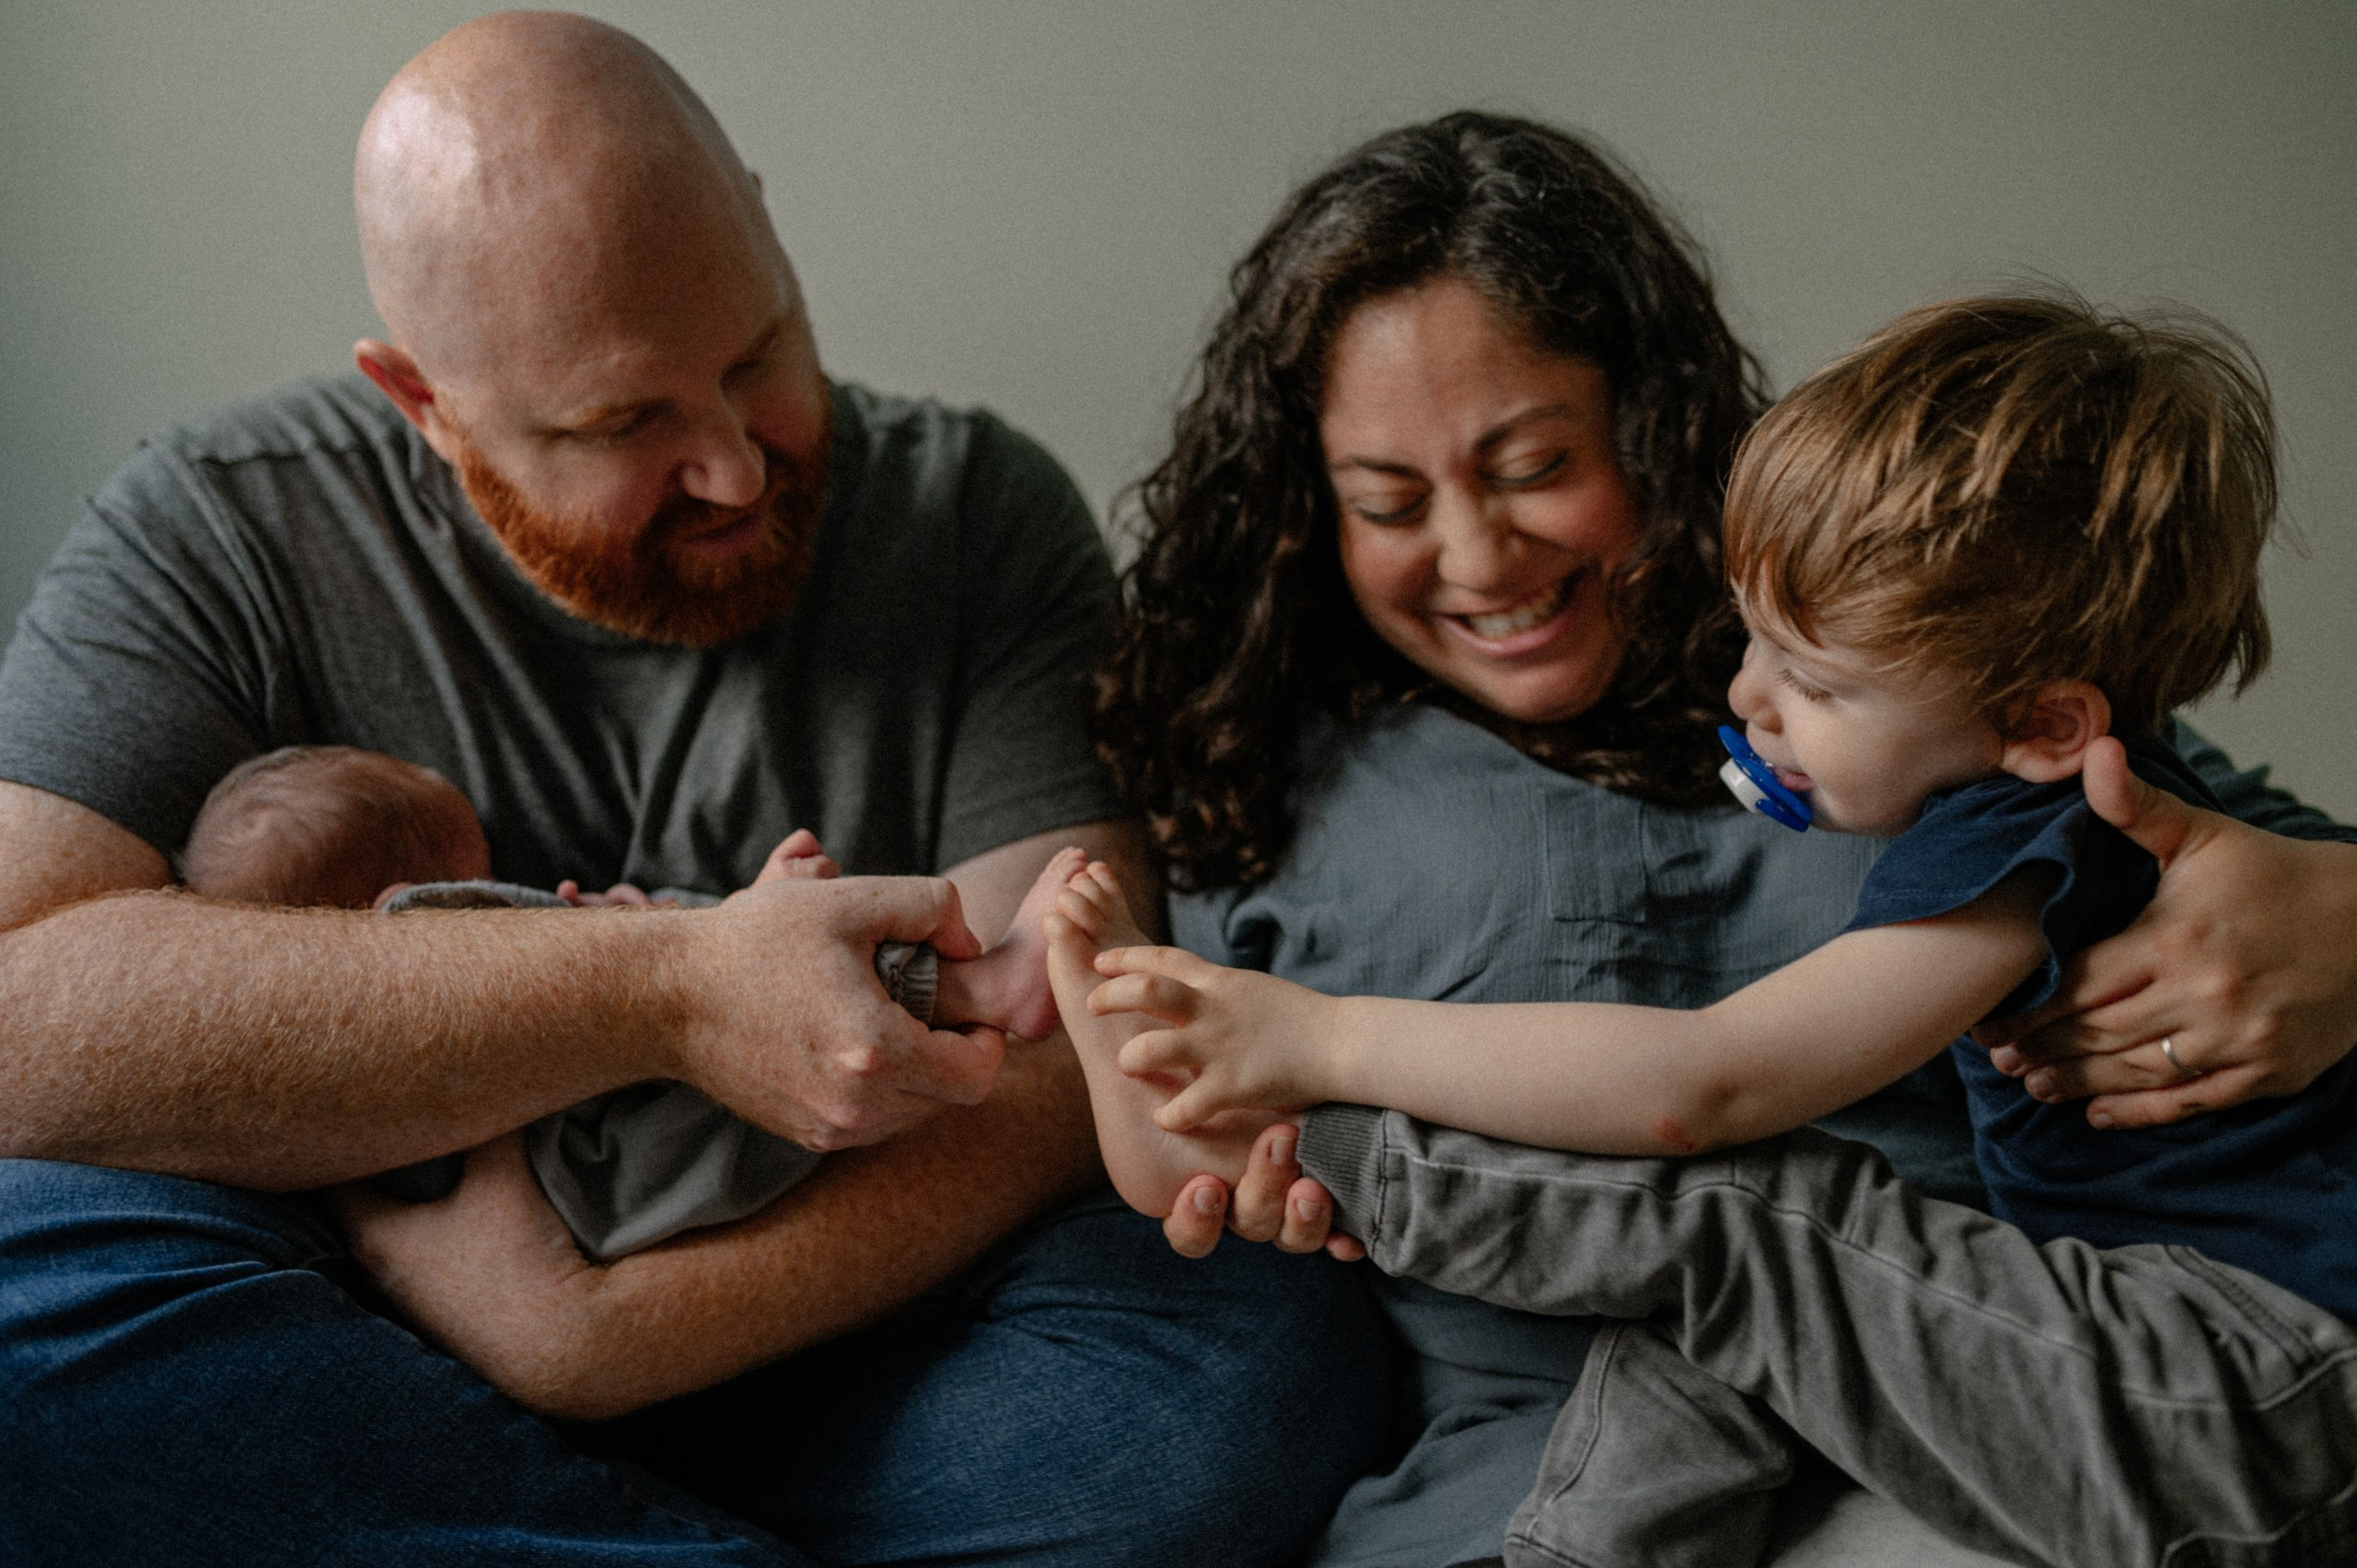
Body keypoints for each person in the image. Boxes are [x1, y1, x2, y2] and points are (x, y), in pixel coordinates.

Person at [0, 14, 1387, 1567]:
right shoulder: (219, 530)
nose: (735, 463)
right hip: (367, 1334)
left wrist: (589, 1335)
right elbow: (19, 1010)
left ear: (768, 226)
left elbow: (1067, 1062)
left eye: (756, 356)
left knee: (1251, 1376)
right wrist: (665, 986)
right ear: (423, 402)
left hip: (841, 1345)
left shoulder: (974, 512)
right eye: (625, 422)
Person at [1086, 111, 2357, 1568]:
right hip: (1838, 1386)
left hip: (2184, 1379)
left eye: (1534, 462)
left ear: (1650, 422)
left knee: (1757, 1218)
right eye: (1388, 501)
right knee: (1723, 1321)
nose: (1482, 556)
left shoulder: (1984, 743)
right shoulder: (1273, 767)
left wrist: (1318, 1050)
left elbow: (1707, 1096)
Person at [183, 742, 1079, 1260]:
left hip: (593, 1170)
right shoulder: (412, 934)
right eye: (482, 885)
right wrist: (676, 934)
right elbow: (596, 978)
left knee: (740, 989)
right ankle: (986, 983)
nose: (513, 897)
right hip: (599, 1175)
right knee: (780, 1022)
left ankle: (787, 933)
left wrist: (658, 928)